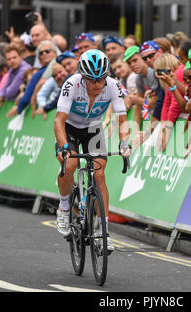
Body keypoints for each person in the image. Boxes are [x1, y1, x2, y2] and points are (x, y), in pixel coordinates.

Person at [54, 49, 131, 252]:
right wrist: (63, 147)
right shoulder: (71, 84)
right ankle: (63, 207)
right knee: (69, 164)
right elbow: (59, 120)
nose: (97, 85)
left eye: (101, 79)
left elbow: (122, 119)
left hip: (93, 129)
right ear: (82, 75)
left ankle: (102, 232)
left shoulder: (113, 86)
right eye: (92, 80)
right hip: (69, 128)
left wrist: (124, 143)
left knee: (99, 175)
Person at [154, 53, 186, 151]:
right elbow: (167, 102)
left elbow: (175, 105)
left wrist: (166, 131)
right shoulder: (172, 74)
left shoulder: (179, 72)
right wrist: (162, 126)